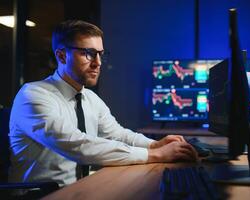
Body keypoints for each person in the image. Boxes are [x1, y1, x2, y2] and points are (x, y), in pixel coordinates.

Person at [8, 20, 198, 188]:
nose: (98, 63)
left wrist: (155, 145)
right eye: (88, 54)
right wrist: (156, 156)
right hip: (43, 195)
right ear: (62, 56)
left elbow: (117, 134)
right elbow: (77, 145)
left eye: (100, 54)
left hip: (83, 188)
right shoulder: (32, 95)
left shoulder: (89, 98)